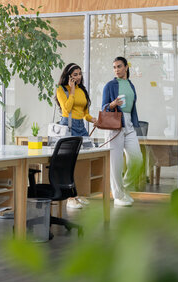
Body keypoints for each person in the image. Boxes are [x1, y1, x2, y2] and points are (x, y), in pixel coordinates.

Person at [101, 56, 143, 207]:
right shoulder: (109, 85)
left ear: (126, 67)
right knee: (116, 163)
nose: (116, 70)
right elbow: (103, 109)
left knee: (137, 159)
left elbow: (132, 107)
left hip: (129, 126)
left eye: (119, 66)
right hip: (115, 126)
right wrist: (112, 104)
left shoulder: (130, 85)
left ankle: (123, 187)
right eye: (114, 67)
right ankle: (118, 195)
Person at [55, 63, 94, 209]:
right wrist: (71, 91)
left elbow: (85, 113)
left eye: (80, 74)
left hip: (81, 127)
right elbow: (66, 109)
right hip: (68, 126)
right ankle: (70, 198)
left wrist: (94, 119)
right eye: (75, 74)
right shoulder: (61, 89)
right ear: (68, 76)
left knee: (84, 158)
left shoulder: (81, 89)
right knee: (68, 162)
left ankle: (78, 194)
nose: (79, 77)